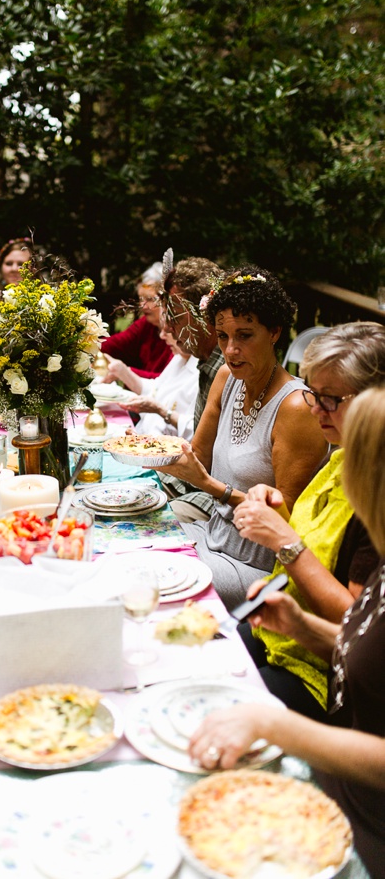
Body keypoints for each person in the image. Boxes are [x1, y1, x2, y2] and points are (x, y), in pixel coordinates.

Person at [189, 386, 385, 877]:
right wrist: (306, 628)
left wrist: (277, 725)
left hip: (363, 830)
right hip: (342, 786)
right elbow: (369, 656)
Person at [229, 323, 384, 719]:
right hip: (289, 629)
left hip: (330, 674)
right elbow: (317, 546)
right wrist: (276, 511)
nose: (315, 409)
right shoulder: (346, 456)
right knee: (201, 658)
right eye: (313, 393)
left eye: (330, 399)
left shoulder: (376, 488)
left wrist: (282, 538)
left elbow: (356, 626)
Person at [158, 266, 328, 609]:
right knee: (134, 548)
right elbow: (197, 456)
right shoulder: (226, 377)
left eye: (245, 335)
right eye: (223, 336)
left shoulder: (296, 407)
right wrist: (148, 449)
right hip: (212, 536)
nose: (231, 349)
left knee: (153, 584)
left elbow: (287, 518)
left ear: (275, 332)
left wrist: (212, 487)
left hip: (259, 566)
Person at [157, 256, 227, 521]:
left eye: (174, 317)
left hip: (219, 500)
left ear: (205, 315)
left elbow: (205, 467)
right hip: (197, 485)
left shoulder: (230, 369)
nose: (166, 328)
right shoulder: (206, 361)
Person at [108, 329, 199, 439]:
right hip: (142, 435)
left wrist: (161, 411)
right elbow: (156, 390)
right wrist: (123, 372)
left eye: (169, 329)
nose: (162, 335)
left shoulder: (202, 371)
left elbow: (197, 432)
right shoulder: (180, 357)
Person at [101, 262, 173, 379]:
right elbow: (115, 344)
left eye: (149, 299)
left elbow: (167, 382)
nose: (143, 306)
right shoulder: (146, 324)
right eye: (141, 299)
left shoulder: (180, 335)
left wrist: (125, 373)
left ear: (167, 300)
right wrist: (85, 344)